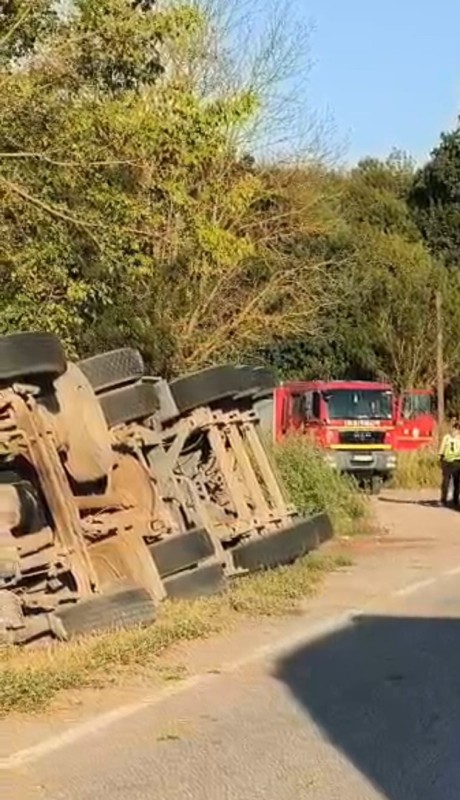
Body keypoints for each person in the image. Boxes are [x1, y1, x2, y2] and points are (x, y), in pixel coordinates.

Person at [439, 421, 460, 506]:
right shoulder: (446, 437)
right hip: (447, 461)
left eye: (457, 430)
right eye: (454, 429)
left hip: (457, 462)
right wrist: (441, 457)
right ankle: (443, 500)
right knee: (445, 482)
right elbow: (442, 448)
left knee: (457, 482)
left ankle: (455, 499)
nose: (455, 431)